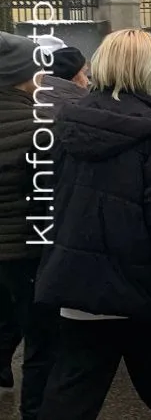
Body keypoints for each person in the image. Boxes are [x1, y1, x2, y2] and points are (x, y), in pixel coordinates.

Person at [34, 29, 151, 420]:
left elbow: (54, 200)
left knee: (69, 398)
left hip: (80, 285)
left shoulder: (67, 124)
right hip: (144, 289)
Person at [0, 32, 57, 419]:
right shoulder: (40, 126)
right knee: (42, 341)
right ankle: (34, 411)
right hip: (26, 251)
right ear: (23, 75)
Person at [36, 45, 89, 117]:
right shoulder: (77, 111)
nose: (88, 81)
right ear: (73, 77)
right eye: (85, 74)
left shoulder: (34, 101)